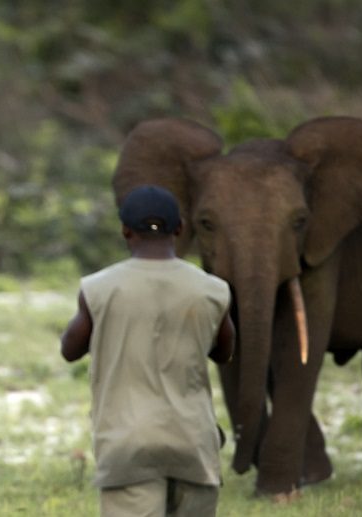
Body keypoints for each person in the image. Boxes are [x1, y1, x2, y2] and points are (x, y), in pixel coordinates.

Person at [60, 185, 236, 517]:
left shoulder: (98, 288)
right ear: (180, 228)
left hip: (127, 441)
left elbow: (70, 350)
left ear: (126, 230)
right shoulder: (213, 290)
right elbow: (225, 351)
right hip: (193, 440)